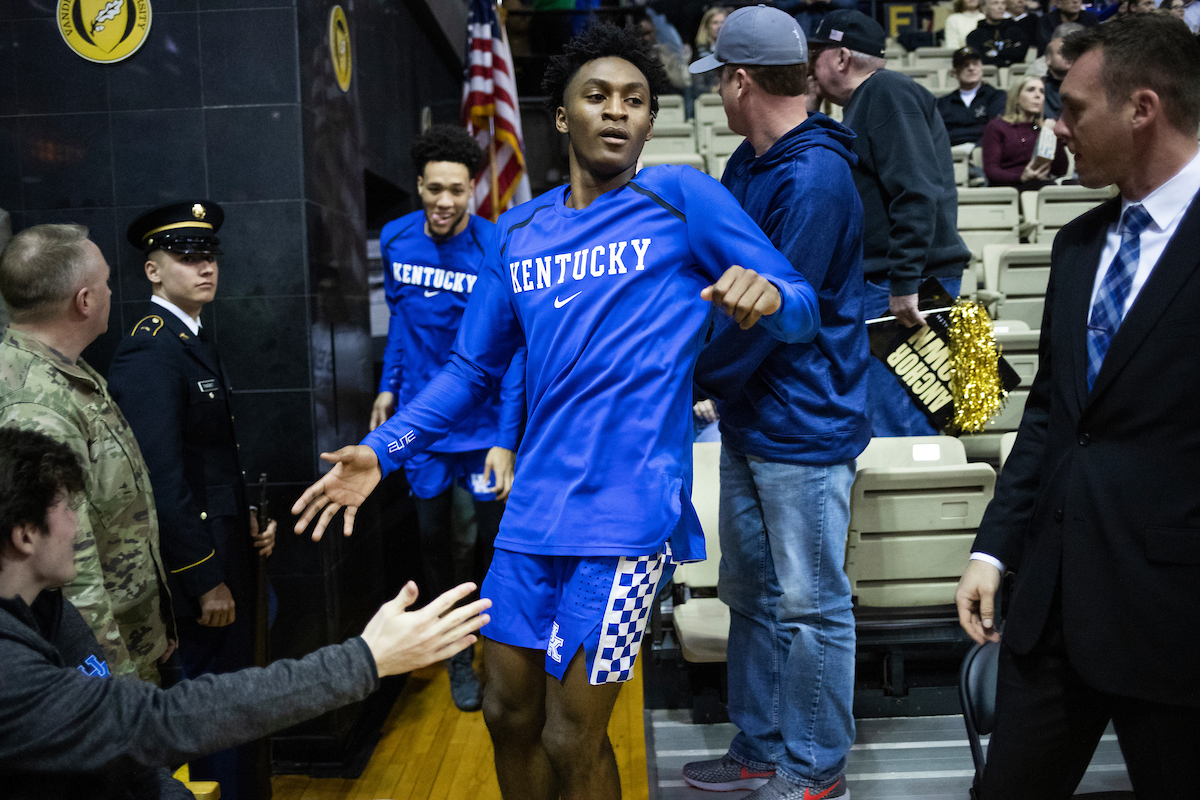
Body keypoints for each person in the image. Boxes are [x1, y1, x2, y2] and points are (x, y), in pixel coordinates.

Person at [292, 22, 821, 800]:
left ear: (649, 120)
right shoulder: (520, 231)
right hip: (534, 514)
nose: (617, 113)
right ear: (563, 116)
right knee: (507, 713)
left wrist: (771, 294)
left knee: (573, 733)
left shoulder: (683, 198)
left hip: (627, 519)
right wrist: (385, 448)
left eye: (635, 101)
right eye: (597, 97)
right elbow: (473, 367)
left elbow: (805, 304)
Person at [954, 14, 1200, 797]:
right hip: (1053, 606)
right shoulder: (1080, 242)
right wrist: (994, 549)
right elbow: (1053, 418)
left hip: (1175, 615)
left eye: (1074, 108)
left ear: (1143, 108)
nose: (1056, 127)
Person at [0, 425, 491, 798]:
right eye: (66, 506)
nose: (75, 521)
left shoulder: (47, 608)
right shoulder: (9, 672)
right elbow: (161, 721)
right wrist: (365, 660)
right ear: (25, 535)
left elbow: (125, 752)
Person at [684, 7, 867, 799]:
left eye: (716, 81)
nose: (714, 97)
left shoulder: (815, 174)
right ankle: (759, 744)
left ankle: (816, 764)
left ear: (740, 79)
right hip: (752, 417)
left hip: (805, 424)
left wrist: (693, 380)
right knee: (750, 595)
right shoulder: (746, 166)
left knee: (811, 606)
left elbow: (767, 320)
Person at [104, 202, 276, 800]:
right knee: (215, 709)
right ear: (153, 270)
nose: (204, 267)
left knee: (240, 698)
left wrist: (250, 519)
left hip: (231, 545)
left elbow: (211, 457)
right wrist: (203, 578)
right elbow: (159, 476)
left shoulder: (192, 335)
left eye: (209, 256)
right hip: (200, 571)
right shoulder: (150, 349)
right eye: (186, 256)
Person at [372, 125, 525, 712]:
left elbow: (511, 351)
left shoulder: (496, 245)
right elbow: (402, 330)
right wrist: (389, 390)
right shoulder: (394, 240)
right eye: (434, 189)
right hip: (421, 428)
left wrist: (506, 439)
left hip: (483, 428)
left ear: (473, 191)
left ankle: (482, 650)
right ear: (419, 187)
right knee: (433, 540)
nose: (444, 201)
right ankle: (455, 650)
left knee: (480, 544)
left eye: (456, 190)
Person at [0, 224, 172, 684]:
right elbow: (69, 575)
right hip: (103, 665)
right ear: (84, 301)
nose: (112, 293)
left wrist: (152, 628)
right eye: (107, 283)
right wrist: (114, 684)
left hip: (131, 637)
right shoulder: (38, 408)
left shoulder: (65, 370)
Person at [809, 10, 971, 436]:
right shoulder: (875, 97)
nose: (810, 66)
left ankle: (921, 503)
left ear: (841, 58)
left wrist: (904, 283)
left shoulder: (884, 92)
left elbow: (915, 191)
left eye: (816, 54)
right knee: (901, 415)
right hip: (901, 279)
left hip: (901, 286)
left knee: (898, 422)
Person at [980, 75, 1069, 189]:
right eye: (1031, 90)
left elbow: (1061, 170)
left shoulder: (1043, 129)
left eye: (1041, 92)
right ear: (1016, 97)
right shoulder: (997, 127)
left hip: (1041, 187)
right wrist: (1021, 177)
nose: (1038, 95)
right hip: (1008, 189)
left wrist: (1051, 135)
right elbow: (991, 171)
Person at [937, 47, 1009, 149]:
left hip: (985, 151)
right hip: (951, 153)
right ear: (955, 72)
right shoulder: (942, 103)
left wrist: (977, 148)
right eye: (965, 65)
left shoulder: (996, 97)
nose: (971, 68)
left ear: (981, 68)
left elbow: (996, 128)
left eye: (975, 64)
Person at [967, 0, 1031, 67]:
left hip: (1015, 75)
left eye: (1003, 3)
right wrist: (1007, 58)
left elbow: (1020, 53)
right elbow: (980, 60)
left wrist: (996, 53)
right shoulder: (974, 36)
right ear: (984, 8)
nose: (1000, 7)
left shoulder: (1016, 31)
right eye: (995, 3)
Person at [691, 6, 728, 94]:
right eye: (715, 23)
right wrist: (713, 89)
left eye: (722, 23)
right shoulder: (699, 53)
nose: (719, 26)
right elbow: (698, 87)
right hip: (708, 100)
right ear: (707, 27)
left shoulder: (733, 51)